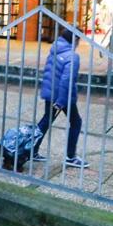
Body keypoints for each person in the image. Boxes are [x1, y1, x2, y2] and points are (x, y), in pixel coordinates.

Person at [33, 28, 89, 168]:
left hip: (50, 92)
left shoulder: (55, 49)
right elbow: (66, 81)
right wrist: (61, 102)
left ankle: (31, 150)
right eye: (79, 39)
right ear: (74, 40)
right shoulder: (72, 56)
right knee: (76, 122)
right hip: (62, 97)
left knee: (46, 120)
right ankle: (71, 157)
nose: (79, 42)